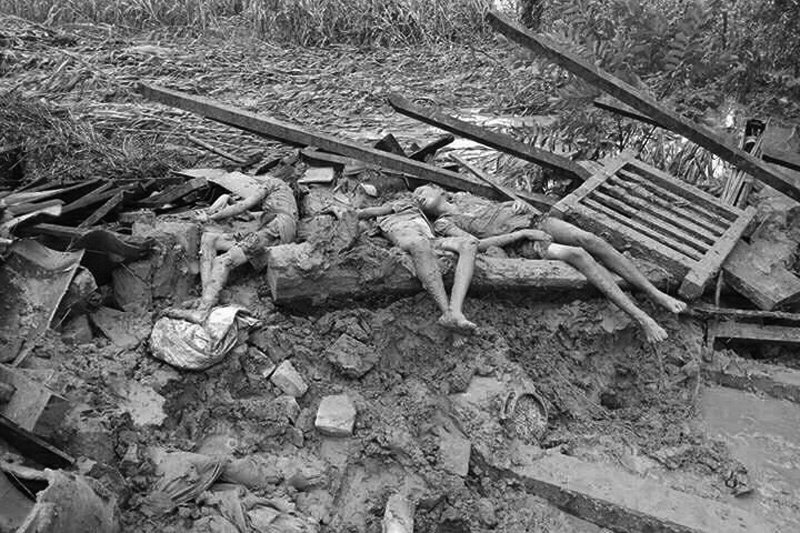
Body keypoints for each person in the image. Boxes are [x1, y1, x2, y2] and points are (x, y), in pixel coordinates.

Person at [414, 185, 687, 343]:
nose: (417, 195)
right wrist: (521, 234)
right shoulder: (444, 223)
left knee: (589, 239)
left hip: (536, 220)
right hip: (524, 241)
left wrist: (517, 204)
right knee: (578, 254)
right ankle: (642, 318)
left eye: (421, 190)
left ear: (439, 190)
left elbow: (501, 208)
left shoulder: (466, 196)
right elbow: (477, 244)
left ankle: (656, 294)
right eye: (415, 198)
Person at [166, 175, 298, 323]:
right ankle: (205, 298)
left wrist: (211, 218)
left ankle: (202, 312)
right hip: (275, 231)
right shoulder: (282, 201)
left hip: (275, 230)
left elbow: (243, 206)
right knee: (209, 239)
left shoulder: (273, 183)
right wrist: (228, 199)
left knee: (223, 261)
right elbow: (248, 215)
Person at [357, 195, 479, 333]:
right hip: (410, 237)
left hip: (430, 240)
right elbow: (366, 212)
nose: (419, 196)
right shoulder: (399, 204)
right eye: (417, 193)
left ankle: (455, 310)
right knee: (420, 243)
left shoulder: (421, 215)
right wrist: (353, 213)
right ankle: (446, 312)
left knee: (469, 243)